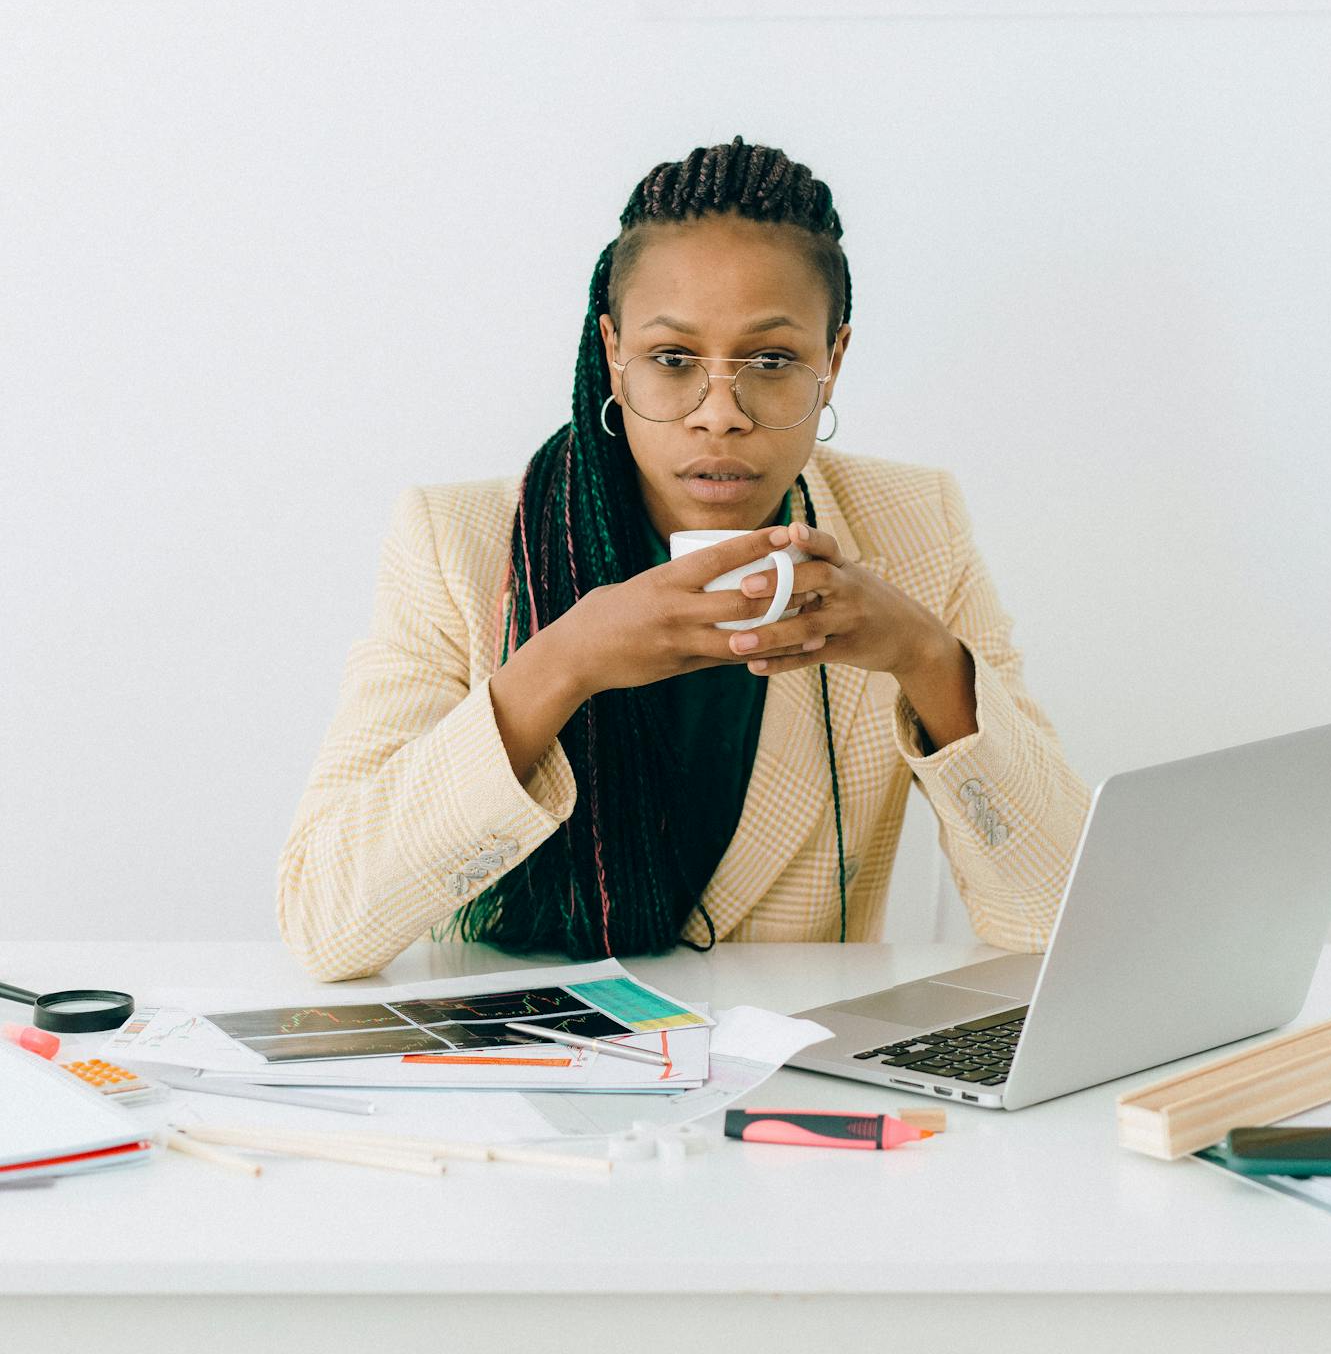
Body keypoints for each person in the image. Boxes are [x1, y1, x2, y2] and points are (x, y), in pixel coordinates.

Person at [277, 135, 1089, 982]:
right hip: (525, 1063)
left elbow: (1052, 916)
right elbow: (325, 926)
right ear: (613, 358)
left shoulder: (913, 528)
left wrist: (924, 657)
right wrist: (558, 666)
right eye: (672, 361)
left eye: (771, 361)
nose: (720, 414)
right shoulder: (460, 542)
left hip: (792, 1069)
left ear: (831, 363)